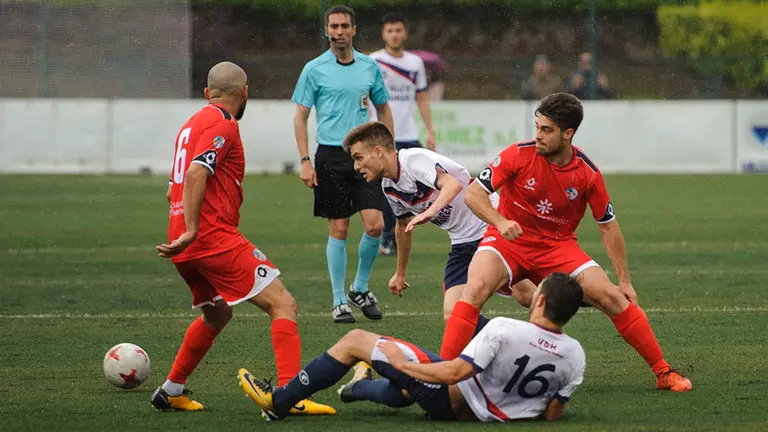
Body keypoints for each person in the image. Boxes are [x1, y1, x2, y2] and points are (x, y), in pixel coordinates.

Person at [440, 93, 692, 392]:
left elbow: (608, 227)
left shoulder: (587, 174)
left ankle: (663, 372)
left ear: (567, 134)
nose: (538, 136)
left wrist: (624, 280)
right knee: (476, 289)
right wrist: (500, 221)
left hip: (557, 246)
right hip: (507, 241)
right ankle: (443, 378)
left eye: (546, 130)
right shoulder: (517, 155)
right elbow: (473, 194)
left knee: (613, 298)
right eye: (537, 127)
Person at [150, 61, 335, 416]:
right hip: (209, 237)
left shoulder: (190, 124)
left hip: (183, 245)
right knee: (283, 304)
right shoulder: (224, 123)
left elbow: (173, 186)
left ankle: (171, 390)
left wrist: (183, 227)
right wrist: (193, 229)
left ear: (208, 93)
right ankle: (289, 395)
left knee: (216, 316)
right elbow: (195, 172)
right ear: (245, 92)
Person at [238, 272, 586, 422]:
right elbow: (553, 412)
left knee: (355, 340)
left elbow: (453, 372)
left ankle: (278, 403)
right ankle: (356, 388)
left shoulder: (504, 328)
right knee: (402, 389)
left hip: (448, 399)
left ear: (538, 301)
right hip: (470, 406)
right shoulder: (575, 354)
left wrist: (401, 363)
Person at [342, 121, 536, 326]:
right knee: (453, 314)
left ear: (378, 151)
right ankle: (502, 336)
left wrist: (429, 212)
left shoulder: (413, 160)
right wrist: (400, 273)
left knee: (525, 296)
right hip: (462, 242)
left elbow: (452, 185)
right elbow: (402, 227)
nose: (356, 167)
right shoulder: (388, 186)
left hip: (490, 224)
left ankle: (552, 336)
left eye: (358, 158)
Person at [292, 5, 395, 323]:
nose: (338, 31)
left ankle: (360, 287)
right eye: (333, 26)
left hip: (364, 155)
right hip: (330, 157)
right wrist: (305, 160)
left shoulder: (369, 66)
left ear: (354, 29)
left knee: (376, 225)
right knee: (338, 227)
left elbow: (383, 108)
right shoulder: (314, 68)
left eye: (344, 26)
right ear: (327, 30)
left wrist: (388, 150)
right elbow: (300, 115)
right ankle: (339, 301)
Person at [368, 13, 437, 256]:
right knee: (386, 188)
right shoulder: (373, 61)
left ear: (404, 33)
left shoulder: (414, 63)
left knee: (416, 187)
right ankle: (388, 238)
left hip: (407, 135)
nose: (394, 35)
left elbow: (422, 98)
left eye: (398, 30)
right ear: (383, 34)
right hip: (381, 135)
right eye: (390, 30)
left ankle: (400, 233)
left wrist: (430, 129)